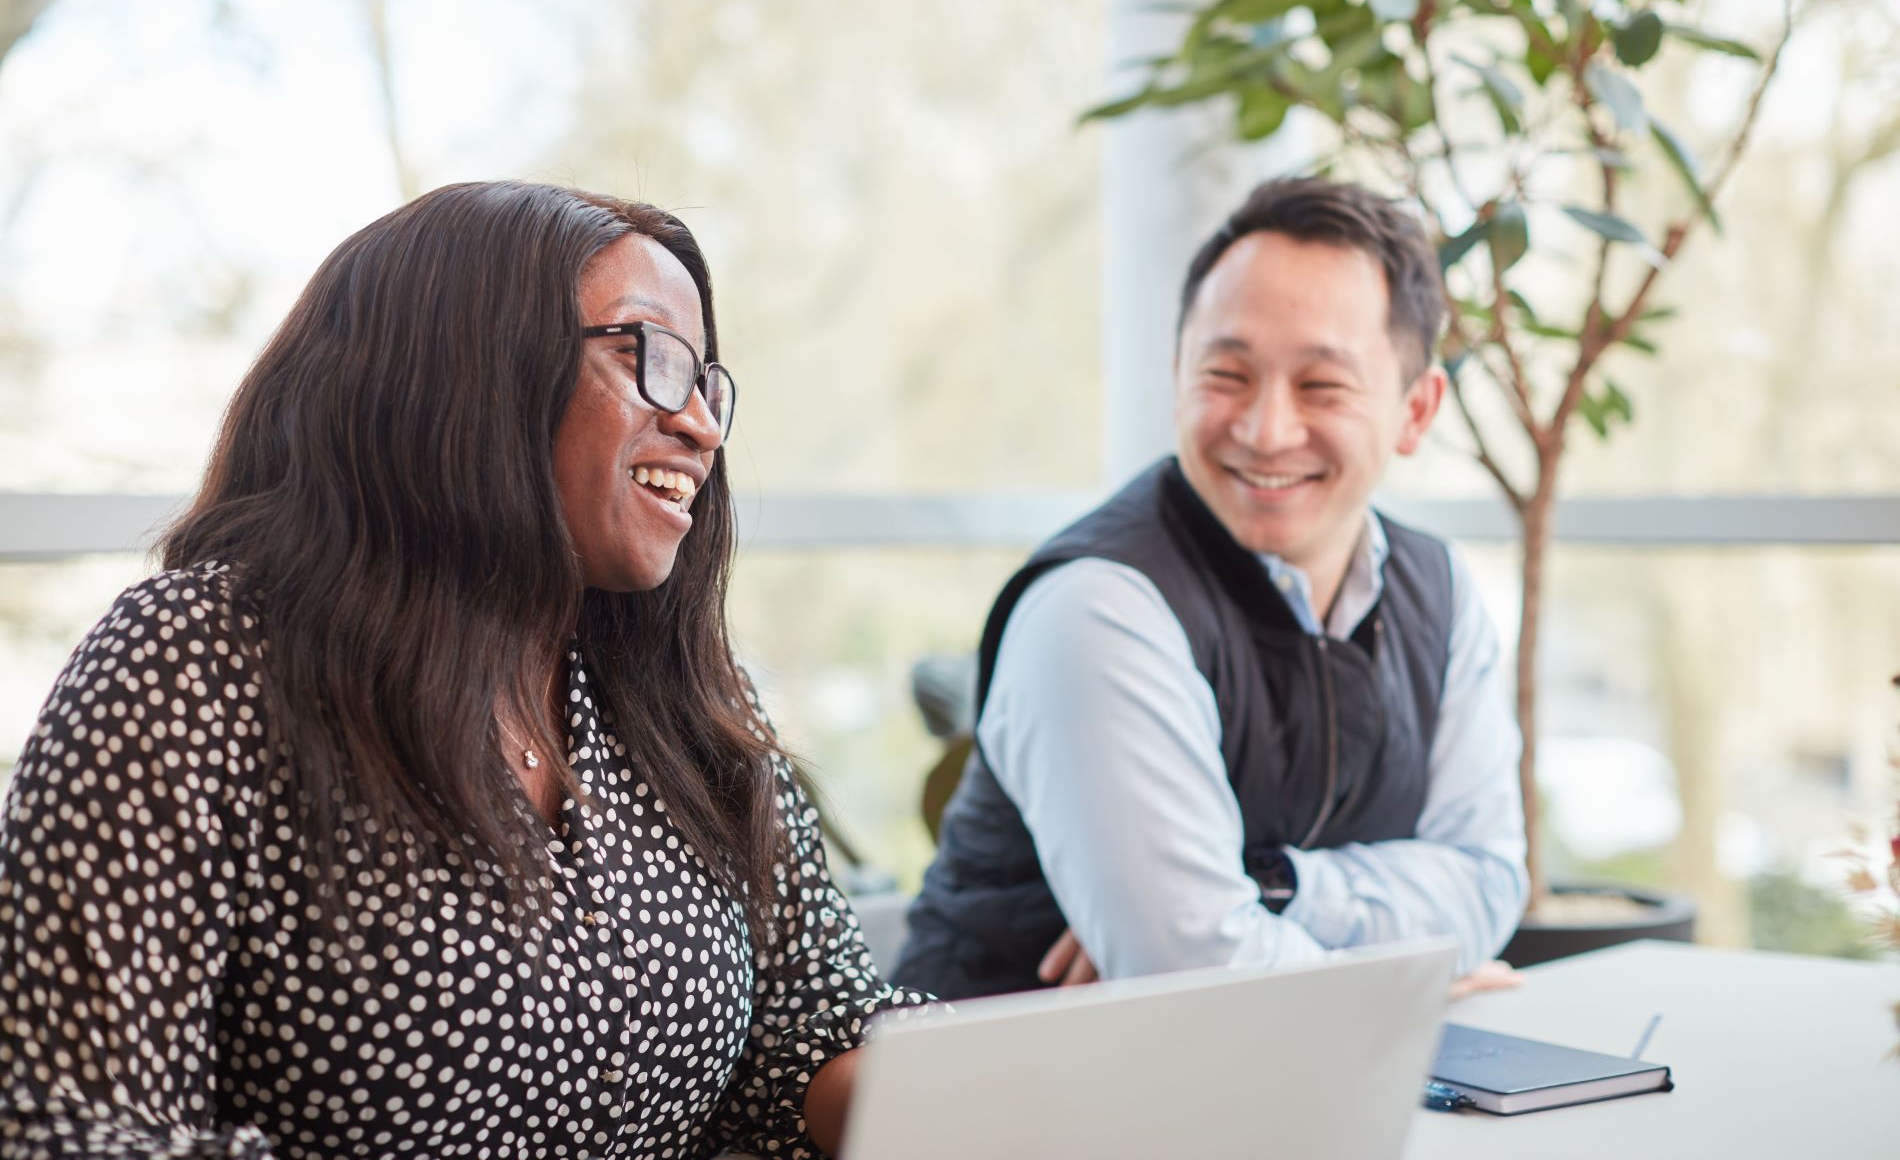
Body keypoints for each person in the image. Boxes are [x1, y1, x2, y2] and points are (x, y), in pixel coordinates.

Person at [0, 181, 922, 1158]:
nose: (701, 425)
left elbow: (809, 1030)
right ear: (465, 372)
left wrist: (1022, 1080)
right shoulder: (198, 662)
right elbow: (63, 1125)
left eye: (706, 381)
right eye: (646, 356)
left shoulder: (676, 698)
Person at [895, 177, 1530, 1000]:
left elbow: (1486, 882)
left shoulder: (1442, 594)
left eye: (1321, 385)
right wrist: (1411, 985)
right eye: (1227, 374)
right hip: (1015, 1112)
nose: (1266, 431)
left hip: (1299, 1098)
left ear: (1416, 409)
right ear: (1177, 374)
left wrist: (1268, 888)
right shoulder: (1097, 608)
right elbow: (1198, 982)